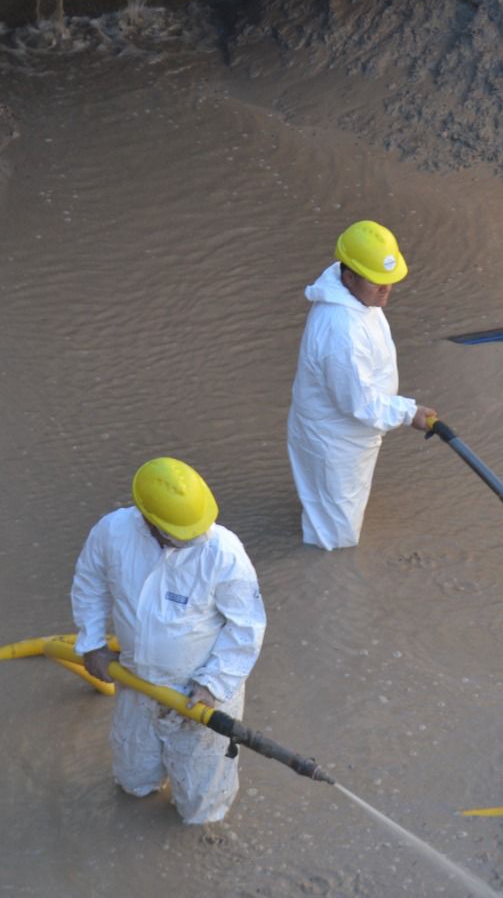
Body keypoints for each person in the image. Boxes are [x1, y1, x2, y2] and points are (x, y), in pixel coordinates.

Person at [72, 457, 266, 825]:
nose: (196, 538)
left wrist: (213, 685)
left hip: (201, 694)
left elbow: (246, 628)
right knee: (134, 782)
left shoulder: (224, 553)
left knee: (201, 807)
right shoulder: (113, 532)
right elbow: (90, 582)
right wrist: (92, 643)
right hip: (137, 680)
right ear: (150, 521)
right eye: (183, 533)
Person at [287, 220, 437, 550]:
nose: (386, 289)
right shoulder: (341, 330)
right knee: (335, 536)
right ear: (349, 276)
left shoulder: (358, 300)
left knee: (330, 503)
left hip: (349, 434)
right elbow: (360, 403)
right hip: (335, 440)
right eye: (376, 281)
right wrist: (408, 412)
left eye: (389, 280)